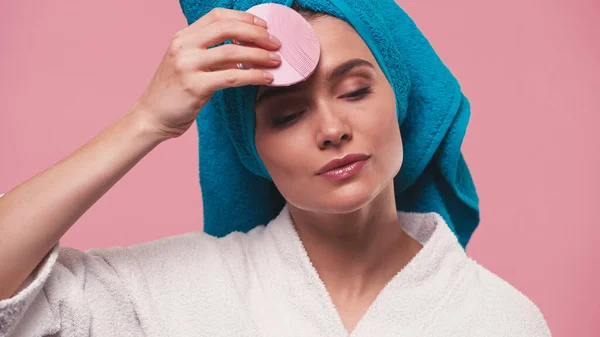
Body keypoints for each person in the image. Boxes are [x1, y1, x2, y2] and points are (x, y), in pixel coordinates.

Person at [0, 2, 551, 336]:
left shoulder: (502, 321)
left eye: (356, 90)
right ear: (252, 149)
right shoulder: (178, 295)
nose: (332, 128)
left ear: (400, 100)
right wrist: (147, 120)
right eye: (287, 115)